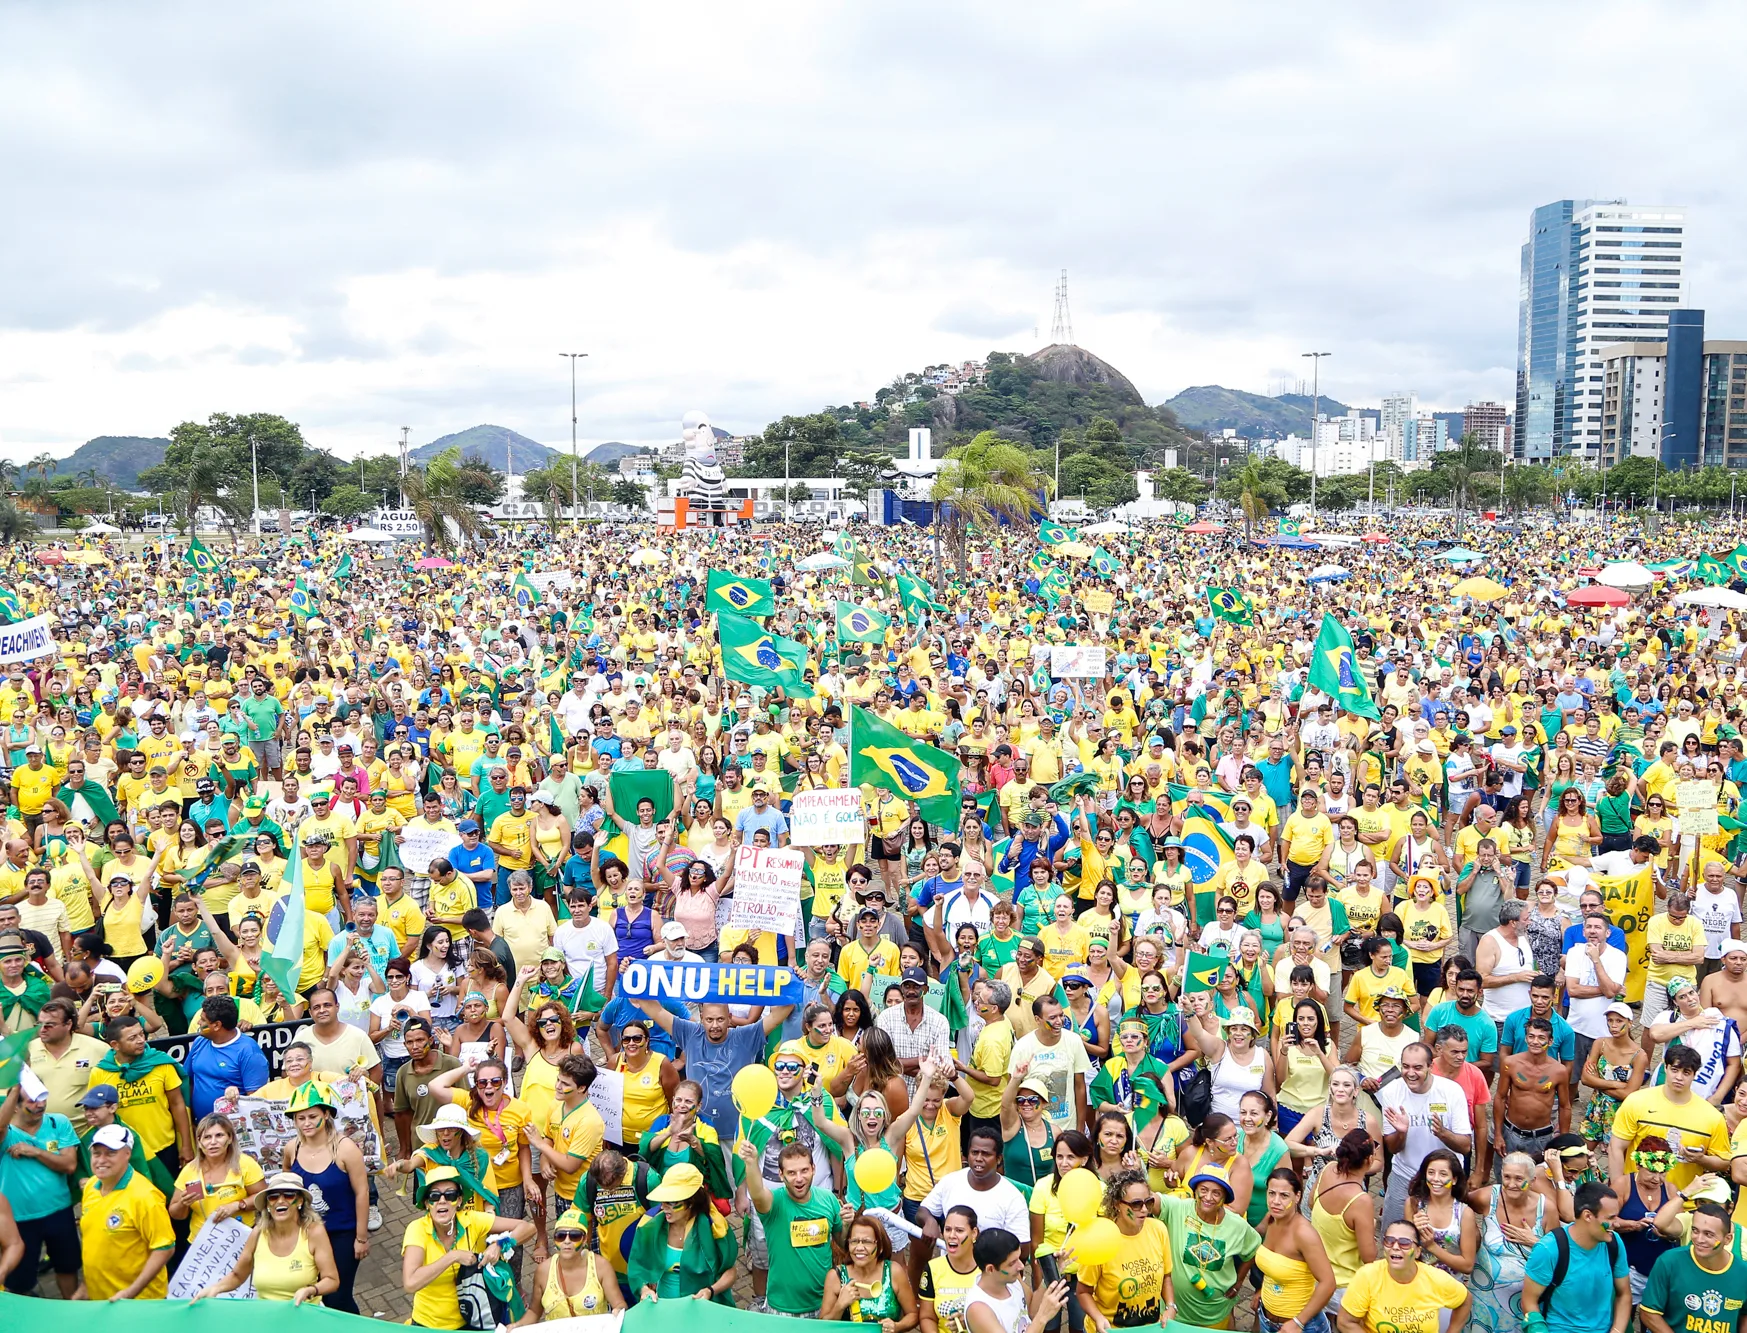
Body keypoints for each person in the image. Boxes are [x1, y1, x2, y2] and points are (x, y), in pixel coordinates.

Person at [400, 1163, 537, 1330]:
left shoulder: (471, 1219)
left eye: (449, 1195)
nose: (442, 1201)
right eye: (435, 1196)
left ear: (458, 1201)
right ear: (427, 1203)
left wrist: (500, 1245)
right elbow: (410, 1283)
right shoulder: (417, 1229)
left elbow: (528, 1228)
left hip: (473, 1321)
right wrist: (453, 1256)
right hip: (430, 1325)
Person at [281, 1081, 371, 1312]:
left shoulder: (345, 1149)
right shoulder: (292, 1148)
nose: (307, 1123)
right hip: (306, 1234)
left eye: (312, 1116)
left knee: (337, 1297)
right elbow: (286, 1189)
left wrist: (361, 1237)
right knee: (315, 1294)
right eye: (300, 1118)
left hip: (342, 1232)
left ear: (326, 1115)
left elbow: (362, 1192)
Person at [193, 1171, 340, 1304]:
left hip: (305, 1315)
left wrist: (310, 1290)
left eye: (288, 1195)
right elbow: (238, 1275)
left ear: (300, 1201)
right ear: (268, 1204)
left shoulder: (314, 1232)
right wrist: (215, 1289)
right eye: (273, 1196)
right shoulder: (258, 1233)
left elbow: (332, 1280)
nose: (280, 1201)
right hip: (268, 1319)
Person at [741, 1136, 844, 1316]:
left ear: (813, 1169)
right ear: (781, 1174)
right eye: (791, 1173)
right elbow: (757, 1194)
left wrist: (848, 1224)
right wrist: (751, 1163)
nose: (799, 1178)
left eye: (804, 1170)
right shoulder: (774, 1203)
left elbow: (842, 1242)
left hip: (825, 1304)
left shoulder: (828, 1200)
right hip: (783, 1309)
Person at [1153, 1162, 1259, 1329]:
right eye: (1203, 1190)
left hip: (1214, 1315)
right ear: (1195, 1190)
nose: (1209, 1197)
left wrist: (1239, 1281)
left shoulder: (1238, 1225)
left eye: (1216, 1193)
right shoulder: (1178, 1208)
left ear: (1224, 1197)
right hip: (1174, 1312)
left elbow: (1253, 1250)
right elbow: (1151, 1201)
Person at [0, 1082, 80, 1298]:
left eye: (43, 1098)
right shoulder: (6, 1133)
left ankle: (72, 1315)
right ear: (14, 1106)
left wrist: (35, 1152)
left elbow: (69, 1165)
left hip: (59, 1211)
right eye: (32, 1100)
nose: (40, 1104)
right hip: (19, 1219)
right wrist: (15, 1087)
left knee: (67, 1267)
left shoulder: (58, 1122)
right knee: (19, 1283)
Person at [1378, 1043, 1473, 1225]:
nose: (1410, 1073)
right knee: (1396, 1235)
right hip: (1404, 1176)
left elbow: (1465, 1146)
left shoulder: (1451, 1091)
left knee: (1443, 1239)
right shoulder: (1391, 1091)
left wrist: (1443, 1133)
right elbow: (1393, 1148)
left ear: (1431, 1066)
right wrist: (1401, 1133)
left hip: (1443, 1179)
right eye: (1405, 1066)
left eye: (1418, 1067)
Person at [78, 1122, 175, 1300]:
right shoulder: (91, 1186)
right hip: (100, 1298)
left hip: (138, 1302)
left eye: (111, 1153)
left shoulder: (145, 1196)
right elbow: (94, 1240)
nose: (101, 1160)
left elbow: (164, 1248)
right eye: (96, 1153)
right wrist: (85, 1286)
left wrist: (131, 1293)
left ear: (127, 1154)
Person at [1520, 1182, 1629, 1333]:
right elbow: (1528, 1301)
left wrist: (1617, 1330)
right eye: (1611, 1218)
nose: (1616, 1223)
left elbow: (1624, 1294)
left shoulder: (1614, 1243)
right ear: (1588, 1216)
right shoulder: (1549, 1249)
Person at [1337, 1217, 1470, 1333]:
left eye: (1404, 1243)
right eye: (1389, 1241)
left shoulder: (1435, 1278)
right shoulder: (1367, 1276)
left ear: (1417, 1252)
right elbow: (1345, 1322)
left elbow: (1465, 1300)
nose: (1395, 1246)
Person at [1637, 1201, 1747, 1333]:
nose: (1699, 1239)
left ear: (1727, 1239)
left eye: (1708, 1234)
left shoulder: (1742, 1273)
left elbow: (1744, 1315)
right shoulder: (1670, 1262)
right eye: (1695, 1231)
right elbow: (1649, 1313)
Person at [1255, 1166, 1339, 1333]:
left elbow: (1328, 1283)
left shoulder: (1304, 1234)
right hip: (1267, 1320)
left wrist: (1298, 1322)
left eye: (1284, 1195)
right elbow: (1273, 1263)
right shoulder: (1271, 1219)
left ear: (1297, 1196)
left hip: (1304, 1327)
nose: (1276, 1201)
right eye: (1272, 1193)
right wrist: (1262, 1291)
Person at [822, 1212, 922, 1331]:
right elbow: (823, 1326)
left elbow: (913, 1315)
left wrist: (897, 1326)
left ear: (880, 1247)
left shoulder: (893, 1272)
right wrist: (839, 1306)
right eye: (854, 1241)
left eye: (867, 1242)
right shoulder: (836, 1276)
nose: (859, 1247)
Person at [533, 1206, 627, 1318]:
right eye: (561, 1236)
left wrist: (619, 1311)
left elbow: (619, 1303)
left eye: (574, 1236)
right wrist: (515, 1326)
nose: (567, 1241)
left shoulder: (600, 1266)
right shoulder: (543, 1271)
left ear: (584, 1240)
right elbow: (534, 1312)